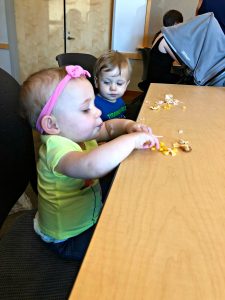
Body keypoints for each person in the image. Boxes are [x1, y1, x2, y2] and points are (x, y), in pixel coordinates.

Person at [20, 65, 159, 261]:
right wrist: (131, 141)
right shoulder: (56, 149)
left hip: (88, 211)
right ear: (52, 125)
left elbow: (110, 129)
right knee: (125, 247)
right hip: (68, 237)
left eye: (93, 103)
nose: (97, 111)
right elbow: (91, 165)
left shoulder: (79, 131)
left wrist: (129, 126)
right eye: (86, 109)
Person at [138, 9, 183, 93]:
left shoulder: (160, 34)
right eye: (180, 25)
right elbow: (179, 60)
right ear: (175, 23)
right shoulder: (166, 40)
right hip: (158, 78)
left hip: (153, 76)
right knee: (183, 80)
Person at [94, 50, 131, 121]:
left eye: (119, 83)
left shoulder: (119, 100)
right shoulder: (95, 106)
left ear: (126, 85)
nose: (113, 88)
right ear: (96, 82)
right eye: (107, 82)